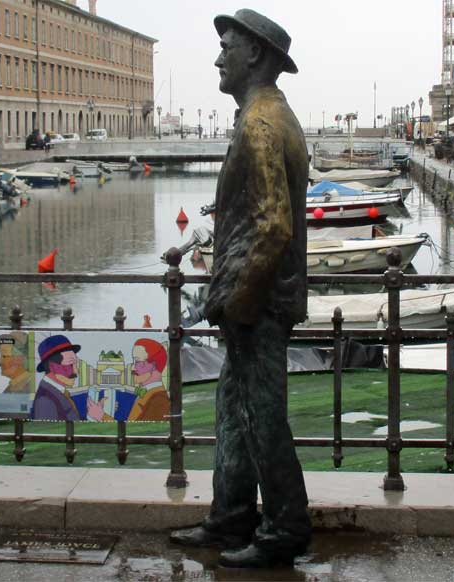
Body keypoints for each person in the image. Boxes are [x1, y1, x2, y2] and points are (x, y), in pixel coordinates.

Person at [170, 9, 311, 568]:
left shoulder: (259, 122)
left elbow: (273, 225)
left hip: (259, 301)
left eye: (226, 46)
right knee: (233, 409)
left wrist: (238, 300)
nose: (217, 56)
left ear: (254, 54)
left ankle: (284, 528)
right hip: (255, 298)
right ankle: (230, 515)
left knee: (260, 416)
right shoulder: (267, 113)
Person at [30, 334, 81, 421]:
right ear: (52, 366)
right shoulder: (45, 401)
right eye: (70, 365)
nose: (76, 372)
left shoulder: (59, 392)